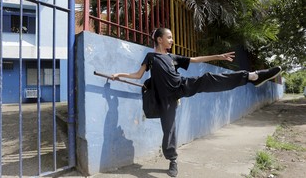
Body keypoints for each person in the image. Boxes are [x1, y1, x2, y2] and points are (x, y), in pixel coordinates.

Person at [112, 27, 281, 177]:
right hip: (165, 99)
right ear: (159, 39)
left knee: (207, 78)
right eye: (169, 37)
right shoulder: (151, 57)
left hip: (180, 86)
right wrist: (120, 75)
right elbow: (138, 75)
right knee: (169, 130)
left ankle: (251, 76)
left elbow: (195, 59)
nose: (172, 40)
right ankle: (173, 160)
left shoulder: (172, 57)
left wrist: (218, 56)